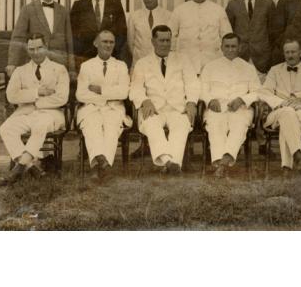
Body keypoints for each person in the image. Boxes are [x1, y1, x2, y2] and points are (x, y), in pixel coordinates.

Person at [0, 33, 69, 185]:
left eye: (39, 48)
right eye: (32, 49)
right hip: (26, 114)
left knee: (40, 124)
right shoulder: (20, 71)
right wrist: (37, 92)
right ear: (27, 50)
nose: (36, 53)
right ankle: (32, 167)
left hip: (52, 114)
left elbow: (62, 98)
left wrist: (34, 103)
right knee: (6, 128)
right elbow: (12, 96)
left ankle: (18, 168)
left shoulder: (59, 69)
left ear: (46, 47)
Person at [129, 25, 199, 174]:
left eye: (168, 40)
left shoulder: (182, 60)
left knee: (181, 126)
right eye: (161, 40)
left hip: (177, 109)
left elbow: (193, 83)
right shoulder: (142, 63)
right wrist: (144, 101)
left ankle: (167, 163)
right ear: (153, 41)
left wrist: (192, 102)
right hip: (153, 109)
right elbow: (135, 88)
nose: (165, 44)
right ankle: (171, 162)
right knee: (153, 126)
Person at [200, 33, 261, 178]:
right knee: (215, 125)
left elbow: (258, 92)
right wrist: (210, 100)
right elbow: (201, 89)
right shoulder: (210, 67)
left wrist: (242, 99)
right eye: (227, 46)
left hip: (240, 109)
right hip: (217, 108)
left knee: (238, 125)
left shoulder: (248, 68)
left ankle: (223, 163)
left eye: (234, 46)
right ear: (221, 47)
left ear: (239, 48)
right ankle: (222, 163)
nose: (230, 49)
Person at [75, 30, 131, 180]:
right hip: (91, 108)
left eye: (111, 42)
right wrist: (106, 97)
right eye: (105, 41)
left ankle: (98, 166)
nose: (108, 45)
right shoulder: (87, 66)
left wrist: (100, 90)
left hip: (114, 109)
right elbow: (80, 94)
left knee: (112, 127)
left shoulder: (121, 66)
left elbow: (124, 93)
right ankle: (102, 163)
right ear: (96, 43)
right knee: (92, 126)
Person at [260, 38, 301, 172]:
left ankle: (287, 167)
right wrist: (281, 103)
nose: (290, 55)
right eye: (287, 52)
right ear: (284, 53)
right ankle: (298, 156)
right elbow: (265, 92)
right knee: (287, 112)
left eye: (293, 52)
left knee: (287, 123)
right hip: (279, 112)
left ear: (300, 53)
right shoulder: (274, 70)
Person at [6, 0, 76, 81]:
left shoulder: (63, 10)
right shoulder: (28, 9)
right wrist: (12, 63)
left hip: (59, 63)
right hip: (35, 62)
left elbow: (69, 40)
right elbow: (18, 37)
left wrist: (72, 68)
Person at [169, 0, 232, 72]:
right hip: (186, 65)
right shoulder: (179, 10)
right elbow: (170, 37)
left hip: (213, 64)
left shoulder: (218, 10)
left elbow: (227, 37)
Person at [70, 0, 128, 69]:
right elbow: (73, 34)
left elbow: (122, 33)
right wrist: (82, 53)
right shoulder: (78, 5)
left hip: (110, 57)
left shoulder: (116, 5)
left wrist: (110, 51)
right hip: (85, 58)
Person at [225, 0, 276, 78]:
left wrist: (270, 56)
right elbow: (229, 32)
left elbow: (273, 33)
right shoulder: (232, 5)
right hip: (240, 56)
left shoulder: (268, 3)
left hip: (263, 58)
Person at [127, 0, 171, 69]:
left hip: (160, 65)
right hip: (139, 64)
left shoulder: (168, 15)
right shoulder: (134, 16)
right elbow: (131, 43)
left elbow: (171, 43)